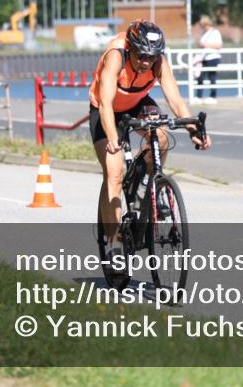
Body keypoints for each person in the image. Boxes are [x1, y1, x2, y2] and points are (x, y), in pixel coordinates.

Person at [88, 20, 211, 262]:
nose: (146, 62)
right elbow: (105, 102)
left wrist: (191, 127)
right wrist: (113, 136)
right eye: (141, 56)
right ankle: (113, 241)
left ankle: (146, 181)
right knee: (114, 172)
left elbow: (173, 95)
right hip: (106, 109)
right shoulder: (116, 55)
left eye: (151, 57)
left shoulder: (157, 62)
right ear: (130, 48)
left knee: (162, 136)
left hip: (136, 104)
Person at [193, 15, 222, 104]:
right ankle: (198, 96)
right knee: (200, 77)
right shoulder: (204, 33)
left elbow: (219, 45)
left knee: (212, 77)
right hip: (204, 58)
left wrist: (206, 45)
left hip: (213, 57)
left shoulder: (215, 32)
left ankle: (213, 96)